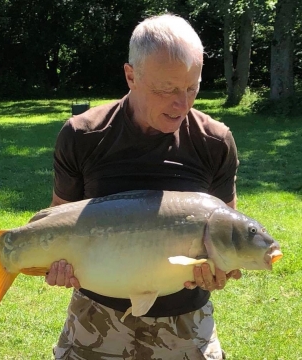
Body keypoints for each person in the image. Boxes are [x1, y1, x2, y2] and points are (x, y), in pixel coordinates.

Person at [45, 13, 241, 360]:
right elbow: (59, 221)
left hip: (186, 323)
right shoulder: (84, 135)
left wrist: (221, 270)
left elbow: (227, 238)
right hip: (95, 317)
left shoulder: (214, 141)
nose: (182, 104)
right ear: (131, 76)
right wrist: (55, 263)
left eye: (191, 88)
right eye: (166, 89)